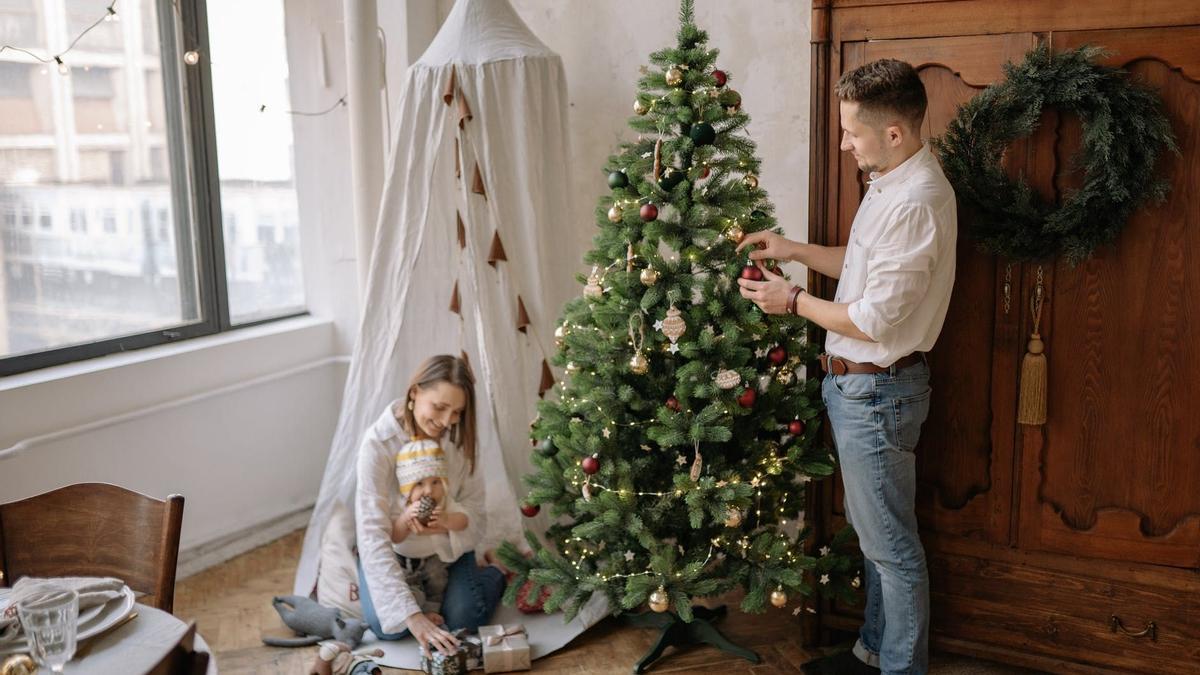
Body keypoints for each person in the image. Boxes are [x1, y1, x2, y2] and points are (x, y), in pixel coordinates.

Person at [737, 58, 956, 675]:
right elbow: (861, 270)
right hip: (859, 390)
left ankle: (899, 668)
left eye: (851, 131)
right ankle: (871, 654)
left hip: (878, 394)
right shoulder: (889, 182)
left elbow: (874, 320)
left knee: (892, 549)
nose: (842, 142)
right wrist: (794, 252)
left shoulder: (916, 200)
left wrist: (794, 301)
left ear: (893, 132)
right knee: (874, 539)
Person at [355, 354, 506, 656]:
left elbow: (475, 514)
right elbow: (372, 531)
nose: (446, 421)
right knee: (389, 627)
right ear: (414, 393)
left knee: (464, 617)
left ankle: (496, 571)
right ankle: (380, 585)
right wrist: (413, 618)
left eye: (457, 412)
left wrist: (447, 523)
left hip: (445, 552)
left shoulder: (460, 441)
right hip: (398, 551)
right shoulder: (378, 444)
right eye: (439, 407)